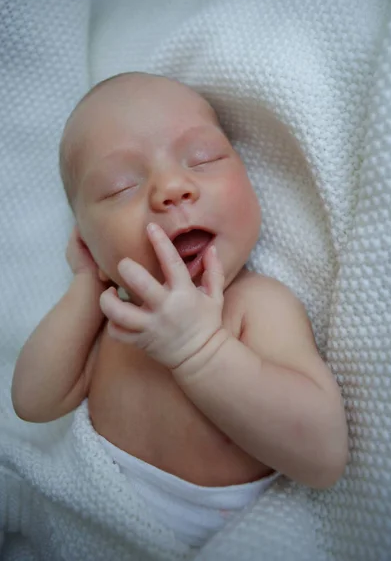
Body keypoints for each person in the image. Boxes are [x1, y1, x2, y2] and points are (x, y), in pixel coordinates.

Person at [11, 72, 348, 548]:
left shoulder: (255, 304)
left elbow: (323, 455)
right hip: (88, 518)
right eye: (119, 187)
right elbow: (33, 402)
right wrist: (88, 284)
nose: (171, 188)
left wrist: (202, 350)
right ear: (86, 240)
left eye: (204, 159)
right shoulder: (116, 317)